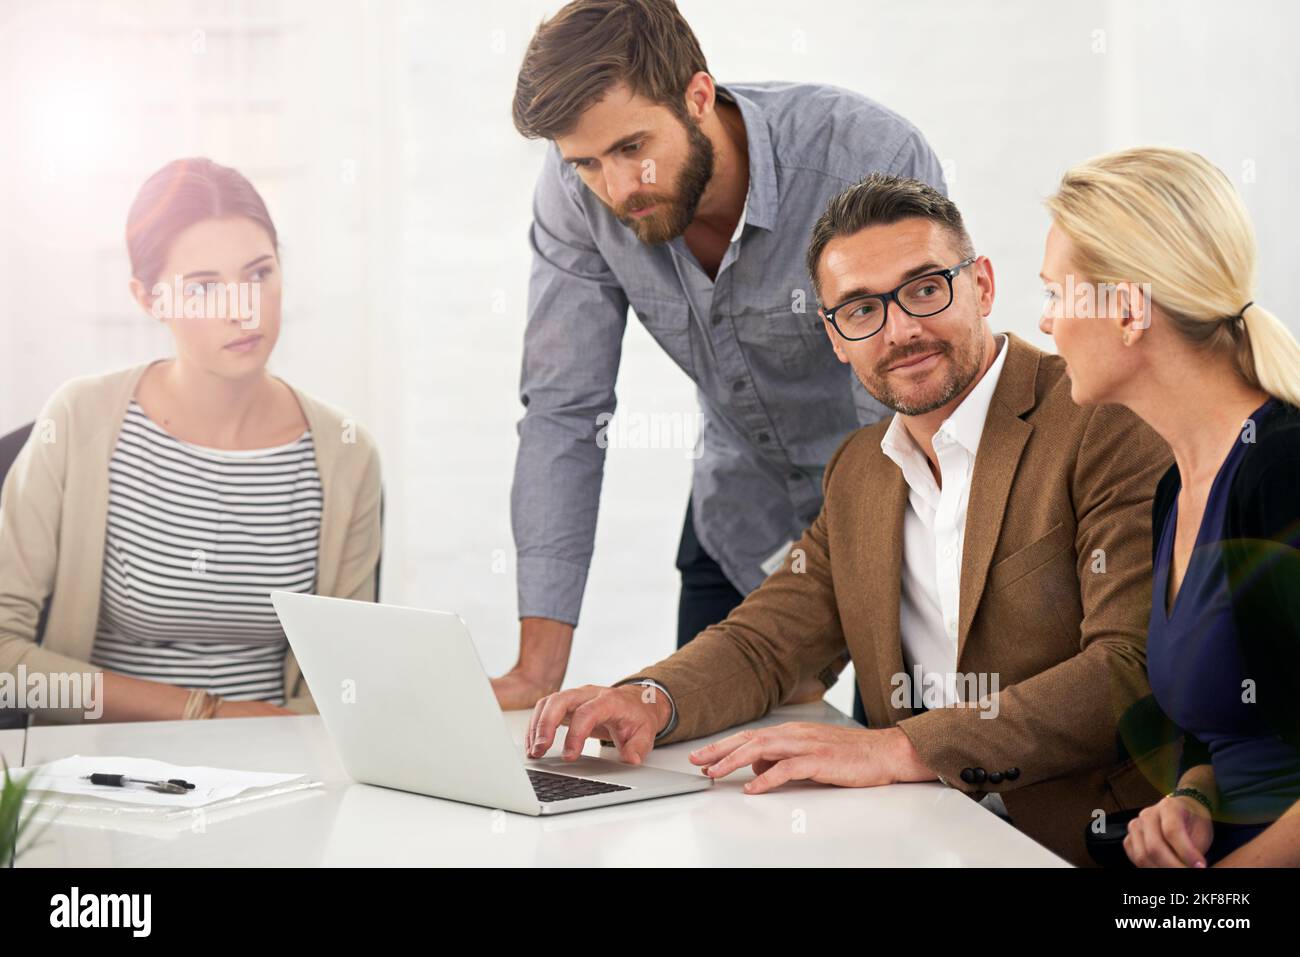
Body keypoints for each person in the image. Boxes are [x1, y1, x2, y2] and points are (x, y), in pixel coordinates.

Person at [524, 174, 1171, 866]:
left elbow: (1123, 670)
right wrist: (649, 698)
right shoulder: (861, 469)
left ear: (981, 285)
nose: (901, 331)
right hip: (917, 833)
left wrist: (902, 745)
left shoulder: (1099, 420)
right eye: (861, 310)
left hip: (1086, 840)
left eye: (926, 289)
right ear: (835, 336)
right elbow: (767, 640)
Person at [500, 0, 945, 716]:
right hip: (742, 516)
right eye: (584, 162)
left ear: (697, 97)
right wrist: (535, 671)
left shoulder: (862, 162)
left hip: (895, 514)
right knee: (705, 776)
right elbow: (563, 411)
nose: (614, 189)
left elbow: (902, 415)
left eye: (630, 149)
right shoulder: (576, 196)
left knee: (902, 782)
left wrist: (809, 638)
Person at [0, 157, 382, 724]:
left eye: (259, 274)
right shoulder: (80, 420)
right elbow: (6, 661)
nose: (243, 308)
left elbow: (350, 677)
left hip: (284, 771)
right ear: (149, 299)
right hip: (111, 774)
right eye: (203, 287)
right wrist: (205, 714)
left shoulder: (347, 455)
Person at [1039, 146, 1300, 867]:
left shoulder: (1281, 472)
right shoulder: (1176, 488)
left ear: (1126, 311)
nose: (1046, 323)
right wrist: (1190, 797)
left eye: (1057, 294)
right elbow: (1241, 735)